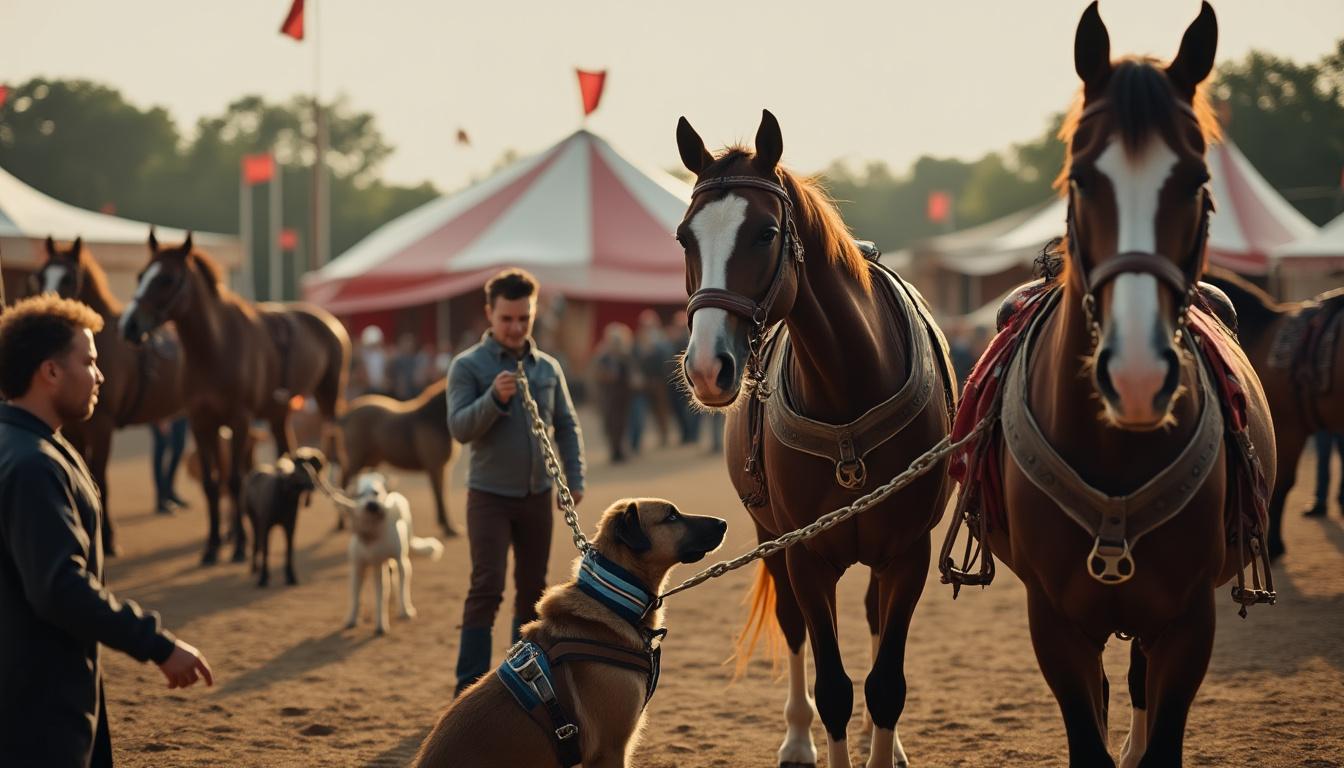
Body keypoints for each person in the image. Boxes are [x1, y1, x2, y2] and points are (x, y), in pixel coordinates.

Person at [0, 295, 214, 766]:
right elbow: (60, 587)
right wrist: (157, 644)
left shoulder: (32, 447)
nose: (100, 374)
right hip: (35, 713)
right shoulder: (34, 464)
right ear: (50, 372)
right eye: (90, 361)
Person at [446, 268, 586, 696]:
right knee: (486, 587)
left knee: (532, 591)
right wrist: (493, 399)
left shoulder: (548, 368)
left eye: (523, 318)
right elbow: (459, 428)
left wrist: (574, 478)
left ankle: (517, 684)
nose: (515, 327)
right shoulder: (468, 366)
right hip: (489, 496)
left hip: (536, 497)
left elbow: (566, 424)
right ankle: (467, 689)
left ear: (533, 313)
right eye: (506, 318)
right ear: (489, 313)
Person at [591, 322, 637, 463]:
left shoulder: (625, 356)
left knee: (621, 424)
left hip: (622, 396)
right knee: (610, 424)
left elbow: (631, 374)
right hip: (607, 396)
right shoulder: (603, 356)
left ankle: (619, 450)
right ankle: (615, 450)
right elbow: (596, 375)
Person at [630, 309, 672, 453]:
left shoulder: (661, 339)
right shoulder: (638, 339)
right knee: (641, 413)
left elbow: (667, 359)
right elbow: (634, 358)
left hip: (659, 381)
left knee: (661, 411)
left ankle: (664, 436)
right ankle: (638, 442)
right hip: (644, 382)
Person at [150, 416, 189, 515]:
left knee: (179, 447)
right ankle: (161, 499)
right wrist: (160, 416)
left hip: (180, 410)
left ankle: (169, 491)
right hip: (160, 410)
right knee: (161, 447)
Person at [1304, 430, 1344, 518]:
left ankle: (1324, 501)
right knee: (1323, 460)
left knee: (1323, 460)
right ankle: (1320, 502)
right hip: (1323, 423)